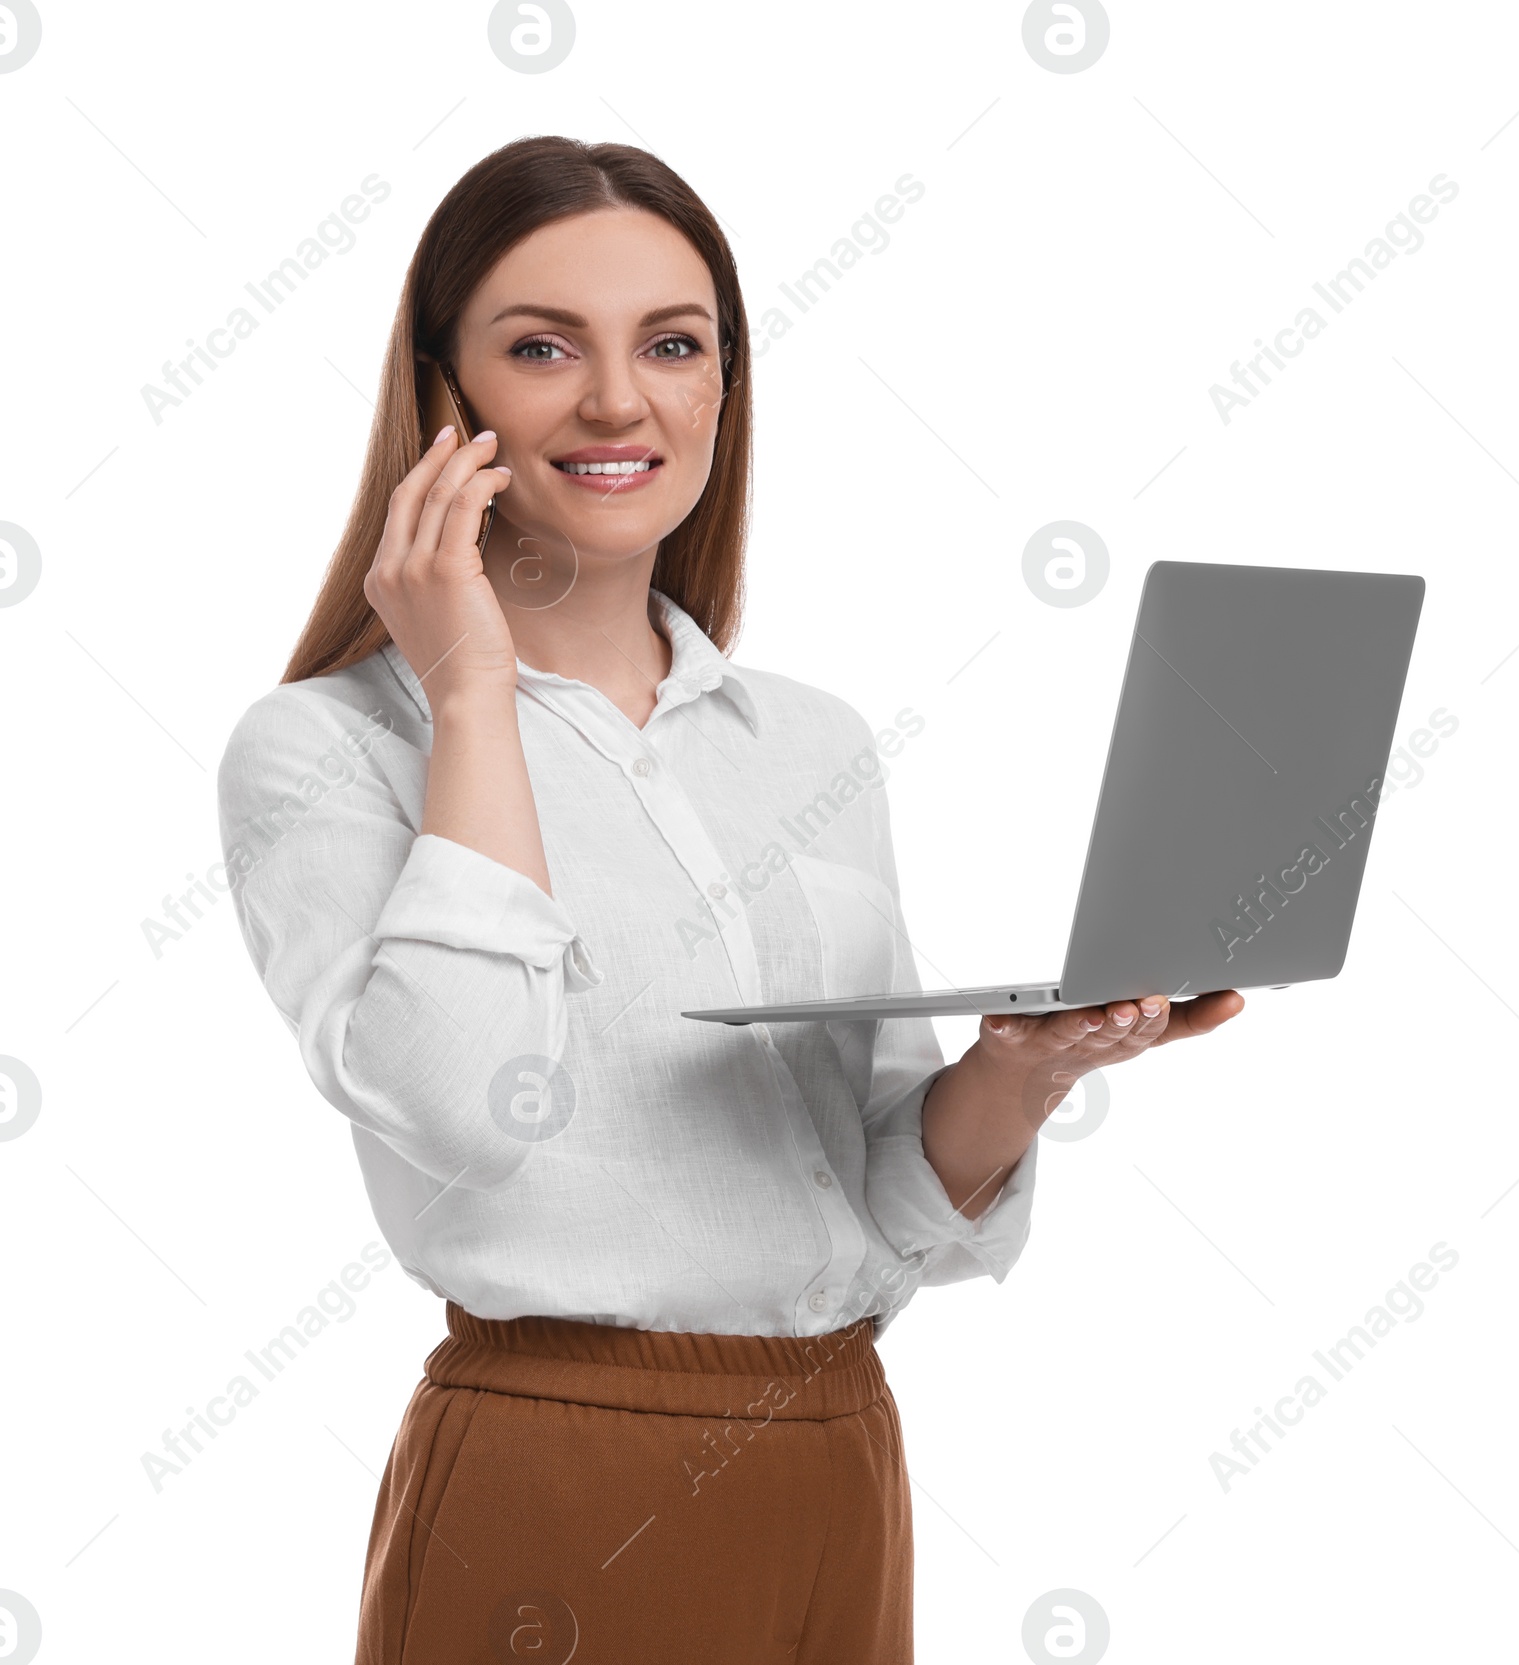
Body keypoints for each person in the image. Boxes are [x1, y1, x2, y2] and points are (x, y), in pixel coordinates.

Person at [216, 134, 1244, 1664]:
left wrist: (1023, 1071)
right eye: (543, 346)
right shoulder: (323, 749)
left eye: (673, 344)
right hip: (561, 1476)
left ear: (723, 388)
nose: (620, 400)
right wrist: (471, 685)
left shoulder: (811, 744)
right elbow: (458, 1102)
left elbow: (884, 1202)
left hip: (839, 1461)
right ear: (446, 400)